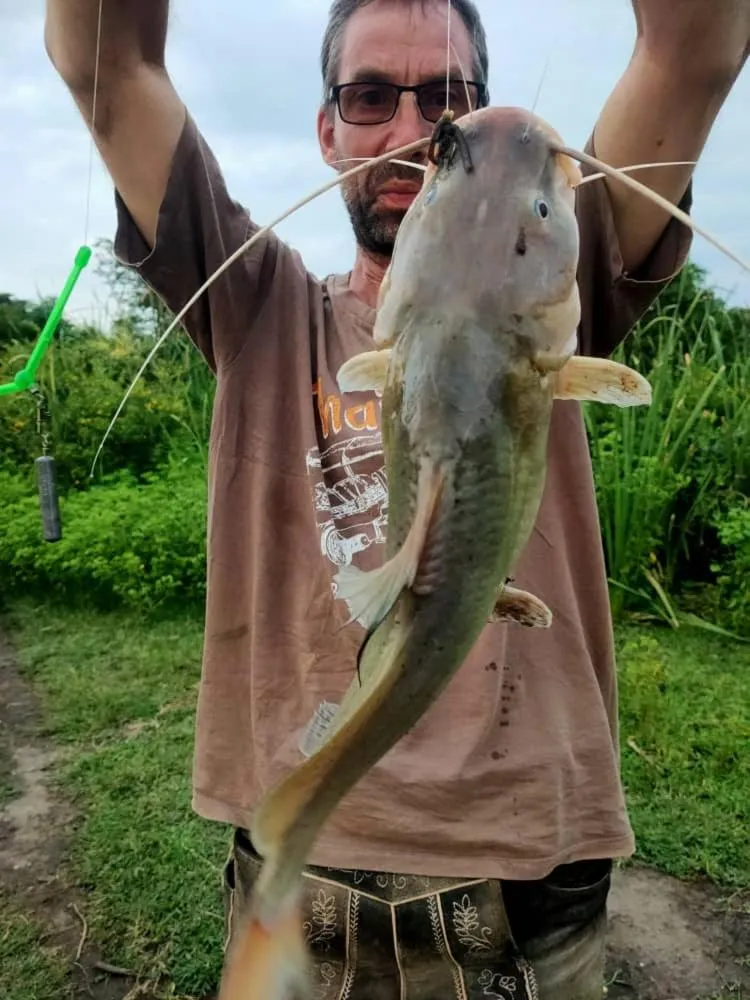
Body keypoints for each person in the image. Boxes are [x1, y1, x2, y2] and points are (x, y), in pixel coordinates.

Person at [45, 1, 749, 997]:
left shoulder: (546, 257)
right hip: (296, 860)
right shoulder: (254, 304)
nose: (413, 130)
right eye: (371, 97)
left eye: (448, 103)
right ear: (327, 131)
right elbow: (102, 65)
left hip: (526, 885)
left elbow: (696, 47)